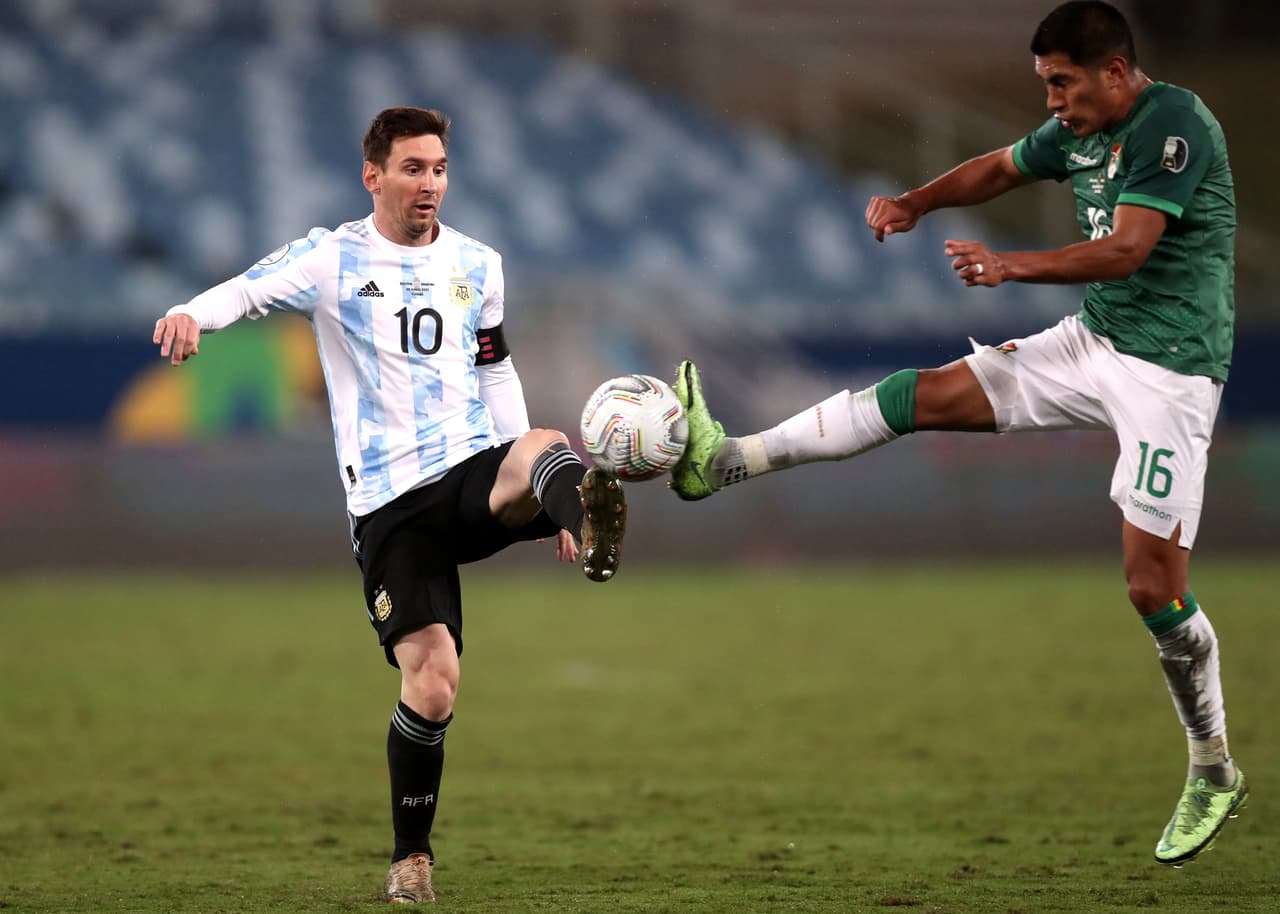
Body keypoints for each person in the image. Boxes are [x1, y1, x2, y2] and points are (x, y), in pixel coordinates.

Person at [668, 0, 1245, 866]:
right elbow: (1001, 168)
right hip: (1094, 343)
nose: (1052, 102)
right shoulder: (1076, 129)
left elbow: (1127, 249)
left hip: (1171, 372)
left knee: (1150, 589)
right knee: (919, 395)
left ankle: (1212, 767)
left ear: (1115, 72)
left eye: (1063, 83)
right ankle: (724, 461)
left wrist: (1011, 265)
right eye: (1045, 85)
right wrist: (914, 202)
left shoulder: (1176, 124)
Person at [152, 106, 627, 904]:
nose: (430, 184)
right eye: (413, 169)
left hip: (472, 472)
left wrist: (533, 483)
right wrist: (191, 315)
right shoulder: (333, 257)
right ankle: (411, 860)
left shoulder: (479, 263)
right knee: (434, 681)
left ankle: (582, 516)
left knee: (544, 441)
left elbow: (494, 369)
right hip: (389, 505)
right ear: (373, 175)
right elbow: (249, 290)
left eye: (439, 168)